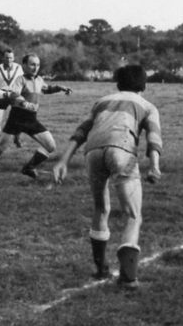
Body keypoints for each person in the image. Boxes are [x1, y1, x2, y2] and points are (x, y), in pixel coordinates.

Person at [51, 65, 162, 289]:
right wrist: (154, 166)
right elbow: (153, 138)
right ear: (144, 85)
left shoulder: (102, 101)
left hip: (92, 152)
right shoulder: (148, 106)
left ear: (118, 83)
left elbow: (81, 131)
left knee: (101, 209)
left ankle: (101, 269)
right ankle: (128, 277)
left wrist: (63, 161)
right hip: (122, 149)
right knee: (133, 215)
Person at [0, 53, 71, 183]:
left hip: (31, 119)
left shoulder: (39, 79)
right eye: (32, 64)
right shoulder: (20, 79)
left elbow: (46, 89)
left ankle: (29, 168)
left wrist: (60, 88)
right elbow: (14, 95)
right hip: (16, 119)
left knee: (51, 146)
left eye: (37, 65)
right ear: (24, 65)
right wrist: (24, 103)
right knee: (0, 148)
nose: (35, 67)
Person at [0, 49, 24, 148]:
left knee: (18, 118)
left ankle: (17, 139)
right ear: (3, 58)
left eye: (10, 58)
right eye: (6, 58)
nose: (8, 60)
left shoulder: (18, 67)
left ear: (13, 58)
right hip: (1, 95)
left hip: (14, 95)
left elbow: (22, 82)